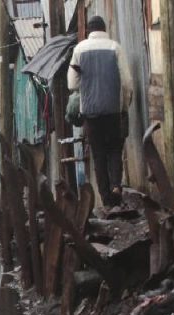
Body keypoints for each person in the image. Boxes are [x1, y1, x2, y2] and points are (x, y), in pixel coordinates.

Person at [68, 15, 132, 207]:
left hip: (91, 113)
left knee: (98, 154)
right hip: (113, 111)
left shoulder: (79, 49)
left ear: (88, 31)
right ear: (105, 29)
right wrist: (124, 105)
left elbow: (72, 84)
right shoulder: (115, 47)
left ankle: (106, 199)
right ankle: (116, 186)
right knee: (114, 150)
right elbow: (127, 82)